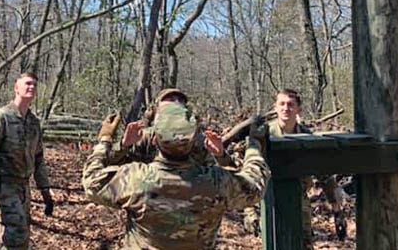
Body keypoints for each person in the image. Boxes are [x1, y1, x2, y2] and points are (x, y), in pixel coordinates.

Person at [82, 103, 271, 249]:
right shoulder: (215, 181)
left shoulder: (135, 178)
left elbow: (92, 181)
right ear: (193, 142)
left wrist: (105, 140)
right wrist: (254, 145)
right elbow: (254, 186)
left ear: (155, 140)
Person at [243, 89, 345, 247]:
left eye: (291, 105)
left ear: (298, 109)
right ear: (275, 107)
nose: (286, 108)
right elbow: (248, 174)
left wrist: (337, 211)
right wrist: (250, 213)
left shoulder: (307, 137)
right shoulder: (263, 135)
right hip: (269, 202)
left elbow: (324, 175)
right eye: (282, 104)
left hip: (299, 203)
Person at [0, 72, 54, 250]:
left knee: (21, 239)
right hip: (4, 186)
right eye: (27, 83)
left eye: (34, 84)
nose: (31, 87)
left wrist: (46, 192)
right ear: (16, 88)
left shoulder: (34, 123)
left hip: (24, 188)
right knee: (15, 238)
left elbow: (39, 159)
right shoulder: (1, 117)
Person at [109, 88, 233, 167]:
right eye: (169, 99)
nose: (176, 102)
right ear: (157, 109)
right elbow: (112, 164)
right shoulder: (143, 137)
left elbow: (227, 177)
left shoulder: (198, 139)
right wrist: (124, 145)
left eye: (180, 100)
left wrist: (220, 155)